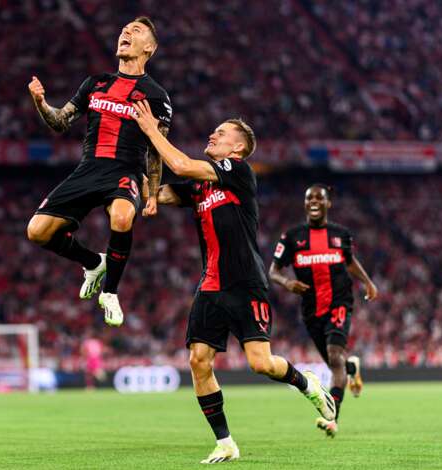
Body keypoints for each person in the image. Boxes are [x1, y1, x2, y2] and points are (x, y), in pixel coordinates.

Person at [132, 101, 335, 464]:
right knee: (198, 360)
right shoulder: (199, 187)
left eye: (221, 133)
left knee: (260, 363)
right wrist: (147, 151)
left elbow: (180, 164)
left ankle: (307, 384)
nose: (213, 135)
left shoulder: (238, 171)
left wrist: (151, 131)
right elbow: (158, 192)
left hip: (244, 282)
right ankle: (225, 441)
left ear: (237, 147)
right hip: (210, 284)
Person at [26, 17, 172, 326]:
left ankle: (111, 292)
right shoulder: (95, 83)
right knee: (37, 232)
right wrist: (41, 103)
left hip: (125, 170)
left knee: (121, 217)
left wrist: (154, 194)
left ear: (150, 47)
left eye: (135, 31)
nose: (125, 33)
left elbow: (157, 149)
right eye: (123, 30)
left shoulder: (156, 96)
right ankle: (93, 262)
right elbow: (61, 121)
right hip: (88, 168)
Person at [269, 184, 379, 437]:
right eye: (310, 198)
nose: (314, 201)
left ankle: (332, 417)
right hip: (311, 309)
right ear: (305, 204)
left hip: (339, 303)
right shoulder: (292, 237)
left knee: (334, 356)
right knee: (335, 364)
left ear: (328, 204)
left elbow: (349, 262)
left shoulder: (340, 235)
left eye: (320, 198)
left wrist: (368, 281)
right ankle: (352, 369)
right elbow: (273, 271)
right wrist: (287, 282)